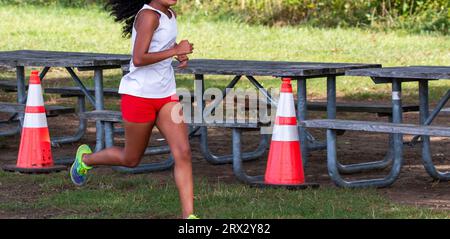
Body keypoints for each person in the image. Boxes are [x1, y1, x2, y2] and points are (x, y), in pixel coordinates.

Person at [70, 0, 197, 219]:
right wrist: (174, 50)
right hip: (139, 96)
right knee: (131, 159)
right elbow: (138, 59)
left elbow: (161, 45)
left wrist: (177, 52)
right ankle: (85, 160)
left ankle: (189, 217)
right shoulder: (148, 17)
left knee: (183, 152)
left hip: (166, 95)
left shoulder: (169, 13)